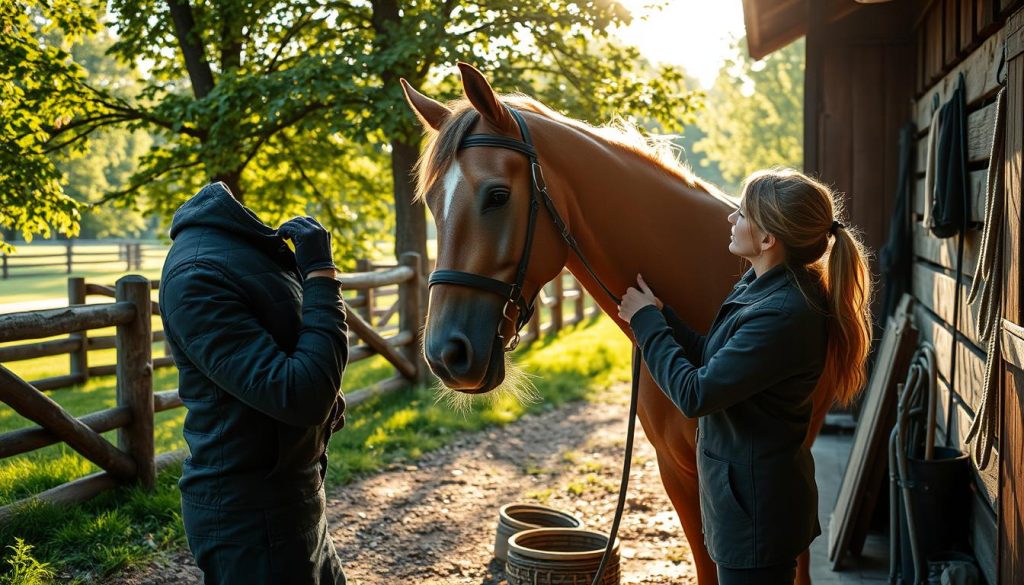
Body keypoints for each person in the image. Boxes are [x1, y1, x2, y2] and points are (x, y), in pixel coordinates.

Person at [617, 168, 872, 585]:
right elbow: (714, 359)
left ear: (769, 239)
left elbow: (696, 393)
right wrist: (663, 317)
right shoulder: (761, 287)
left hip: (757, 513)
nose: (730, 219)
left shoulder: (782, 314)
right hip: (744, 501)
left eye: (740, 212)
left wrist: (647, 326)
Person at [159, 182, 349, 585]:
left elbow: (289, 353)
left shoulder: (244, 258)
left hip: (294, 493)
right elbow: (301, 395)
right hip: (251, 518)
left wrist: (330, 400)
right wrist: (321, 277)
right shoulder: (198, 277)